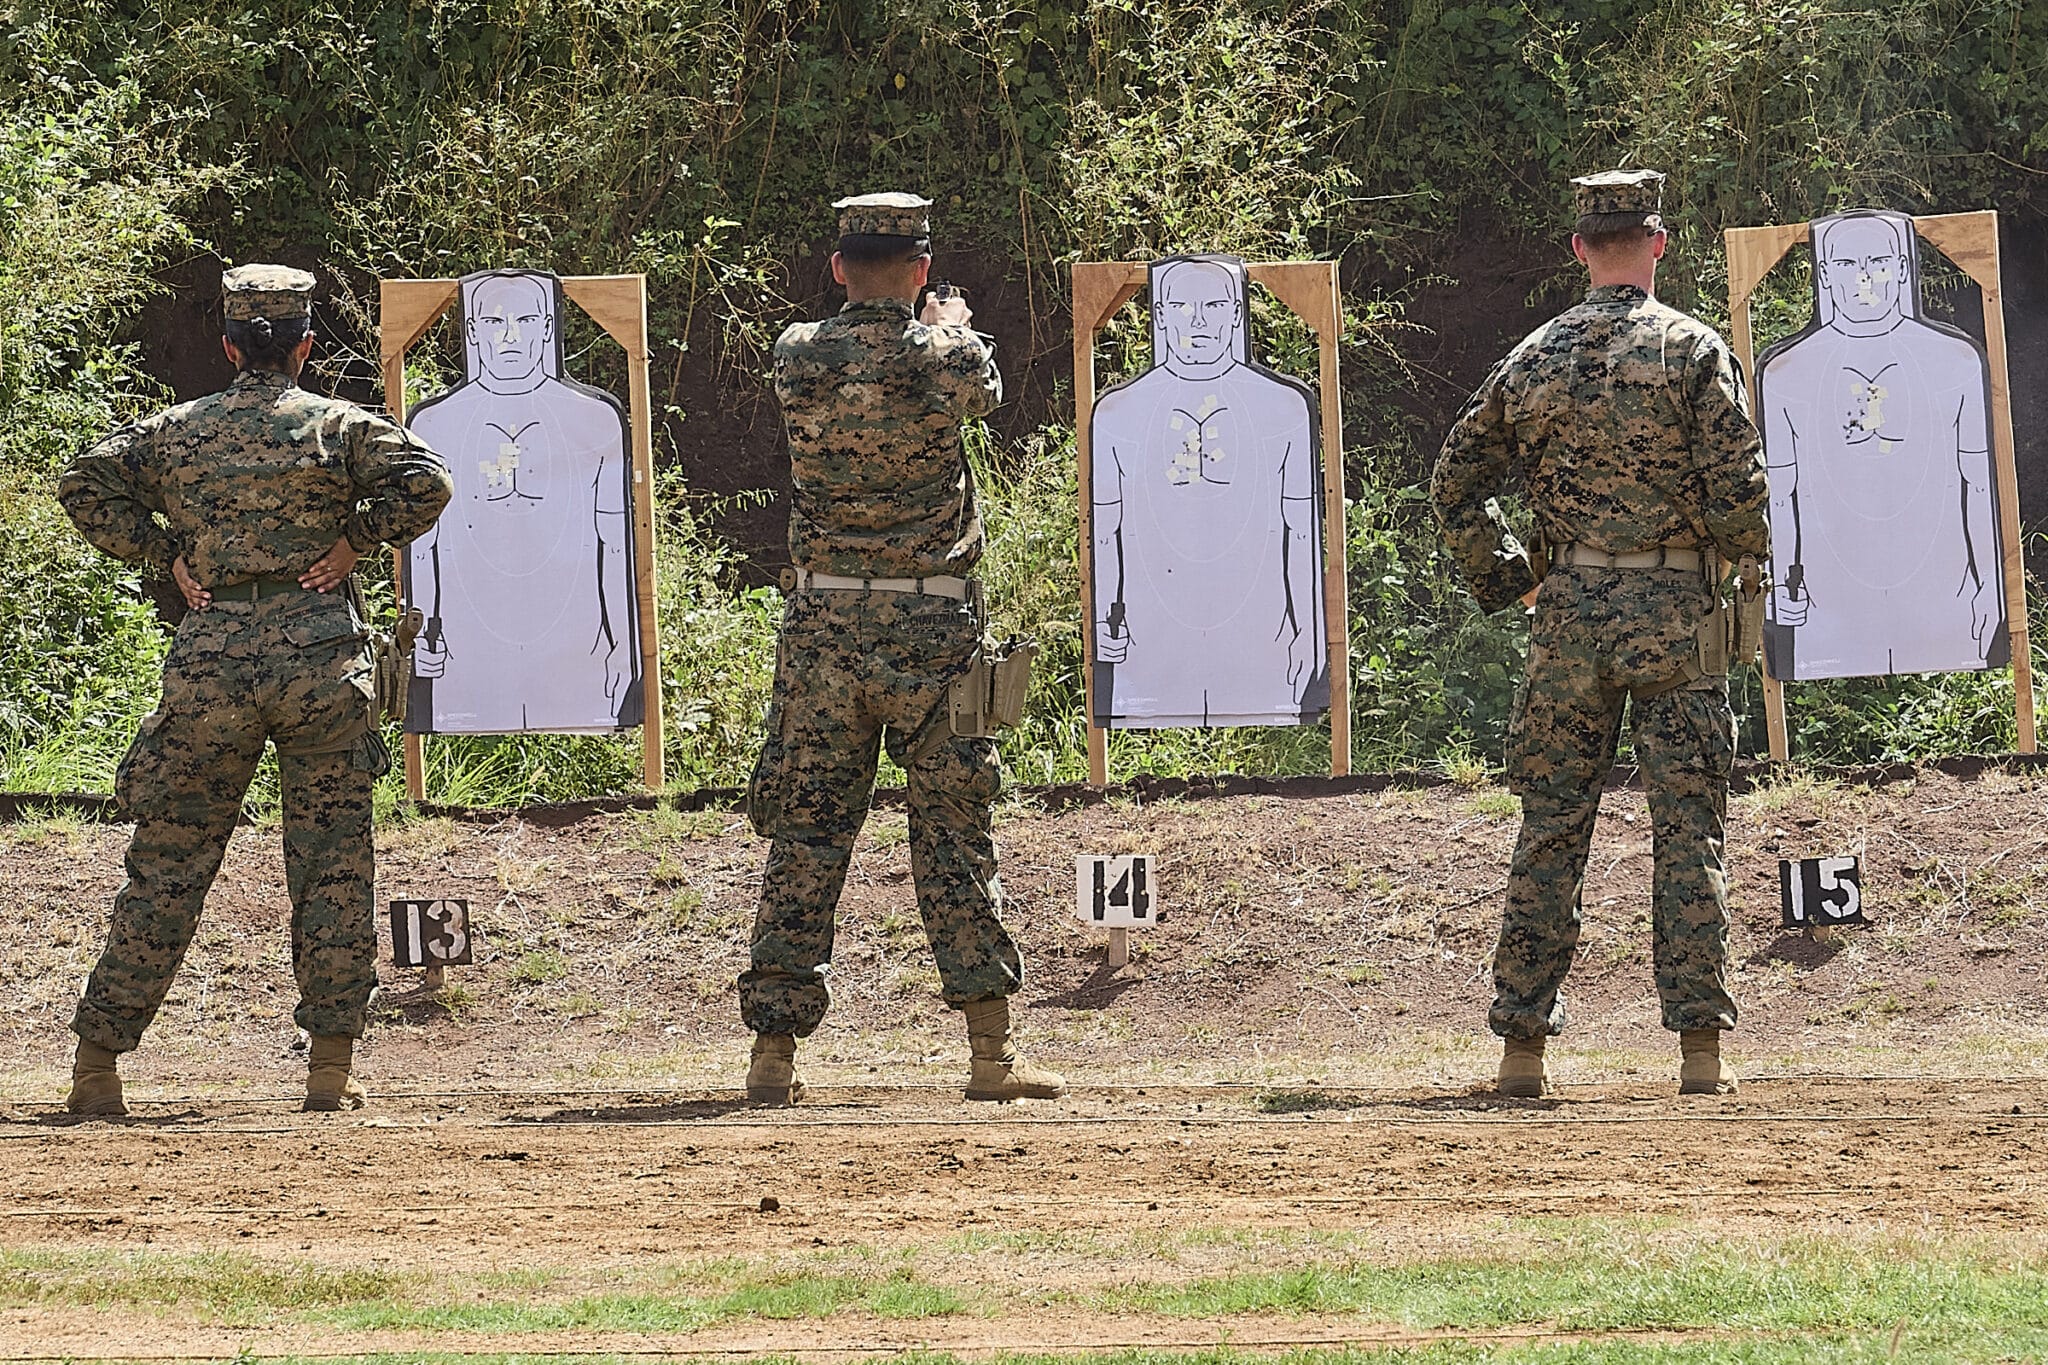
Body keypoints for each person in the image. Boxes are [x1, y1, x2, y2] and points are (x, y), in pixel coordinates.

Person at [58, 264, 454, 1115]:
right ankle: (329, 1071)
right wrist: (352, 541)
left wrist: (165, 556)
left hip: (211, 669)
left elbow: (83, 481)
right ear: (306, 347)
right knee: (332, 869)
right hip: (319, 666)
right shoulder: (338, 425)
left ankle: (98, 1064)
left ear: (230, 343)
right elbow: (428, 481)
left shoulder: (179, 429)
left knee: (167, 865)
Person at [1431, 170, 1770, 1098]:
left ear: (1580, 249)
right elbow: (1741, 491)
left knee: (1550, 828)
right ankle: (1700, 1053)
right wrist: (1745, 565)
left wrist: (1512, 579)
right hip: (1677, 619)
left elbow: (1453, 481)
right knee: (1688, 830)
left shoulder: (1532, 359)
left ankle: (1521, 1051)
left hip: (1570, 618)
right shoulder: (1696, 352)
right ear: (1658, 242)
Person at [738, 192, 1065, 1105]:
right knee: (957, 834)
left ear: (839, 267)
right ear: (922, 270)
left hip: (826, 636)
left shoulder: (801, 352)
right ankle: (990, 1057)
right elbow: (981, 391)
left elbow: (844, 356)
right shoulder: (943, 355)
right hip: (934, 632)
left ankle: (773, 1055)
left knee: (806, 835)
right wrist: (947, 326)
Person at [1758, 209, 2002, 678]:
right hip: (1829, 592)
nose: (1864, 277)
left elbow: (1979, 484)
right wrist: (1781, 584)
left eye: (1877, 260)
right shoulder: (1786, 372)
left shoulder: (1956, 361)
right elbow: (1780, 496)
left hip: (1942, 585)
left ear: (1903, 267)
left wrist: (1990, 583)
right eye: (1847, 264)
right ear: (1826, 275)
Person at [1090, 254, 1326, 726]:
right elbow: (1104, 531)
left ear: (1236, 313)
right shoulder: (1117, 413)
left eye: (1215, 306)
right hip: (1149, 631)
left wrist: (1310, 629)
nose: (1198, 322)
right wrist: (1101, 618)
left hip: (1262, 629)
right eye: (1180, 306)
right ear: (1159, 313)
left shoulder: (1284, 409)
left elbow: (1302, 532)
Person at [406, 269, 640, 733]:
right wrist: (422, 635)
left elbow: (617, 546)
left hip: (577, 634)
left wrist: (624, 645)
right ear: (472, 330)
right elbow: (421, 548)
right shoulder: (434, 424)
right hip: (466, 640)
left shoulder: (595, 420)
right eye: (494, 322)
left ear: (548, 327)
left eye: (526, 319)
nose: (510, 336)